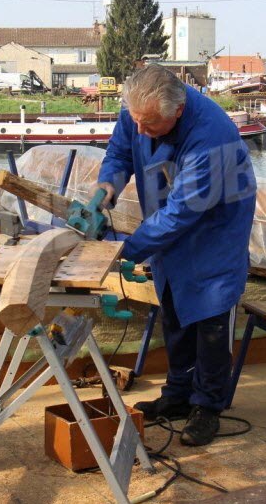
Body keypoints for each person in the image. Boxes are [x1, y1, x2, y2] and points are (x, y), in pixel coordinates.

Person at [96, 64, 256, 446]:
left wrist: (123, 250)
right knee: (174, 308)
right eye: (135, 120)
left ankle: (208, 406)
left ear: (177, 111)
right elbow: (120, 153)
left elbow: (183, 212)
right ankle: (178, 395)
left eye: (149, 125)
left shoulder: (211, 136)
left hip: (216, 226)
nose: (140, 131)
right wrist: (105, 192)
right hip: (168, 216)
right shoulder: (139, 108)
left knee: (211, 317)